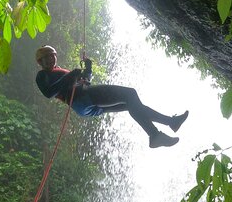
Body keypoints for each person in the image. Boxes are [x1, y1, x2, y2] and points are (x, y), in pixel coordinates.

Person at [35, 45, 188, 148]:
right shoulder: (42, 75)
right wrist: (71, 76)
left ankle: (166, 126)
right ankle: (159, 132)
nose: (51, 59)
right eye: (47, 57)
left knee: (131, 104)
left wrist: (88, 69)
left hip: (84, 104)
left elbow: (86, 81)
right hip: (82, 98)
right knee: (130, 94)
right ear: (40, 61)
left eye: (52, 55)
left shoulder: (61, 71)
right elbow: (49, 93)